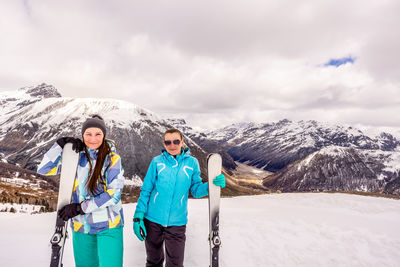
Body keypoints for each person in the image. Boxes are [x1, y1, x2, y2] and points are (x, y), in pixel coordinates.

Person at [37, 115, 125, 267]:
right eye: (88, 134)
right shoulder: (75, 157)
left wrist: (79, 208)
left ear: (104, 136)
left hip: (109, 225)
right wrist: (60, 145)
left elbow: (114, 194)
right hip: (82, 227)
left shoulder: (112, 158)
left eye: (98, 134)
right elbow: (44, 169)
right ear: (82, 135)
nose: (93, 139)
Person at [133, 128, 225, 267]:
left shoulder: (192, 163)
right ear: (164, 144)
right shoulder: (156, 162)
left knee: (175, 264)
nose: (172, 145)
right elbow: (146, 190)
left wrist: (211, 185)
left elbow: (195, 190)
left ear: (182, 142)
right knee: (153, 261)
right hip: (152, 221)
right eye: (168, 142)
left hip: (177, 222)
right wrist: (138, 215)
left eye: (176, 141)